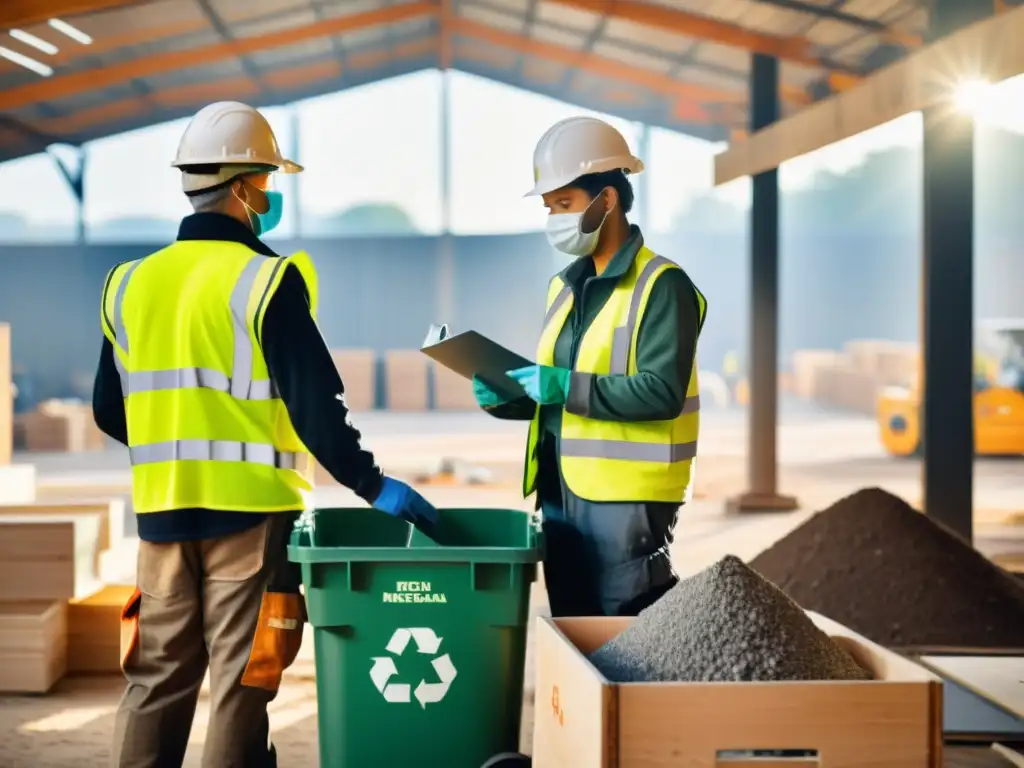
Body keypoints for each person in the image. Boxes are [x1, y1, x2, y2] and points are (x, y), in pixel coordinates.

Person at [93, 101, 437, 768]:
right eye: (268, 182)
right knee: (240, 683)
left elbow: (112, 412)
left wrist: (178, 442)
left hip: (161, 516)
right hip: (250, 521)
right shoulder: (267, 281)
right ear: (245, 185)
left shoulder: (126, 285)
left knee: (155, 680)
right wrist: (373, 484)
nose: (270, 195)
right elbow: (317, 409)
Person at [472, 116, 706, 618]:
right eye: (549, 207)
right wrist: (510, 397)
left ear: (607, 200)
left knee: (625, 637)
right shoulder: (564, 287)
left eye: (564, 204)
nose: (554, 217)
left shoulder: (662, 285)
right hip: (561, 491)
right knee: (575, 629)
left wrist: (561, 385)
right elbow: (558, 396)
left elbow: (660, 391)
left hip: (627, 501)